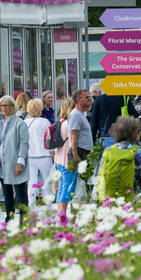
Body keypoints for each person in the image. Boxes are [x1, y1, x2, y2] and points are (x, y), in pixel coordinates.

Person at [53, 89, 95, 219]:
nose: (89, 99)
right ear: (78, 100)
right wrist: (76, 154)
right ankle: (63, 216)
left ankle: (65, 215)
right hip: (76, 155)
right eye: (86, 97)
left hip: (77, 154)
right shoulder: (76, 115)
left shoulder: (80, 114)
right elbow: (73, 136)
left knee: (68, 186)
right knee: (67, 186)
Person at [0, 95, 30, 222]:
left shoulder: (20, 123)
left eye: (7, 105)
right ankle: (9, 218)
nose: (4, 108)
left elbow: (24, 144)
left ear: (13, 107)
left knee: (20, 194)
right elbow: (0, 144)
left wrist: (20, 162)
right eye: (2, 105)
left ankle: (24, 220)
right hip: (3, 164)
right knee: (7, 194)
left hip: (15, 163)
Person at [102, 116, 141, 197]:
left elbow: (101, 176)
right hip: (134, 200)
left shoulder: (108, 151)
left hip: (109, 199)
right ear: (136, 134)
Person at [24, 97, 53, 205]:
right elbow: (49, 139)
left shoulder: (25, 122)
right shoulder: (45, 122)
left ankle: (32, 207)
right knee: (47, 182)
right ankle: (49, 207)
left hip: (30, 156)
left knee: (32, 183)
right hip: (45, 155)